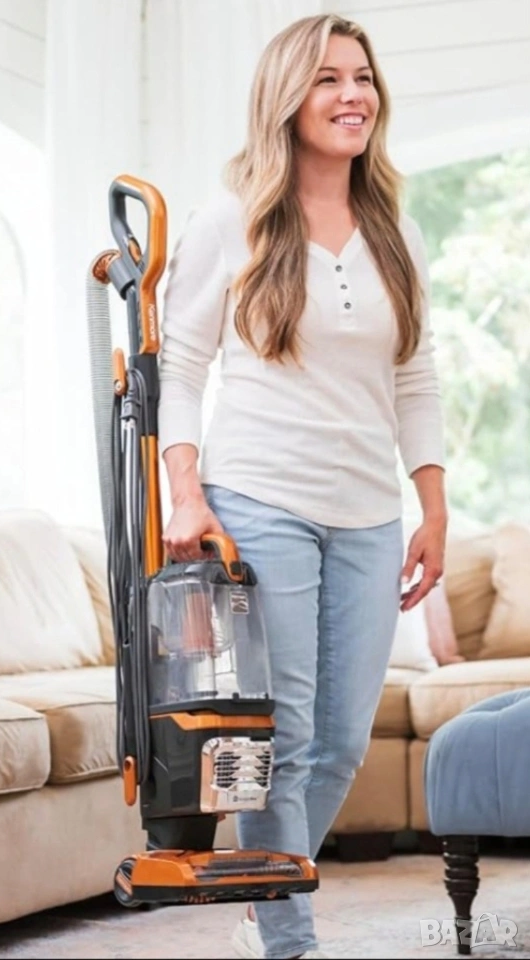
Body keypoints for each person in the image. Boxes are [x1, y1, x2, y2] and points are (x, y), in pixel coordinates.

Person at [157, 13, 448, 960]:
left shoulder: (395, 231)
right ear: (287, 98)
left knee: (341, 745)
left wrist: (433, 504)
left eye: (362, 77)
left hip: (370, 513)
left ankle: (262, 895)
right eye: (328, 78)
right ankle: (289, 940)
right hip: (261, 501)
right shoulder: (233, 219)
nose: (353, 95)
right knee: (280, 738)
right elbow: (180, 367)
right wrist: (186, 492)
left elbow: (415, 375)